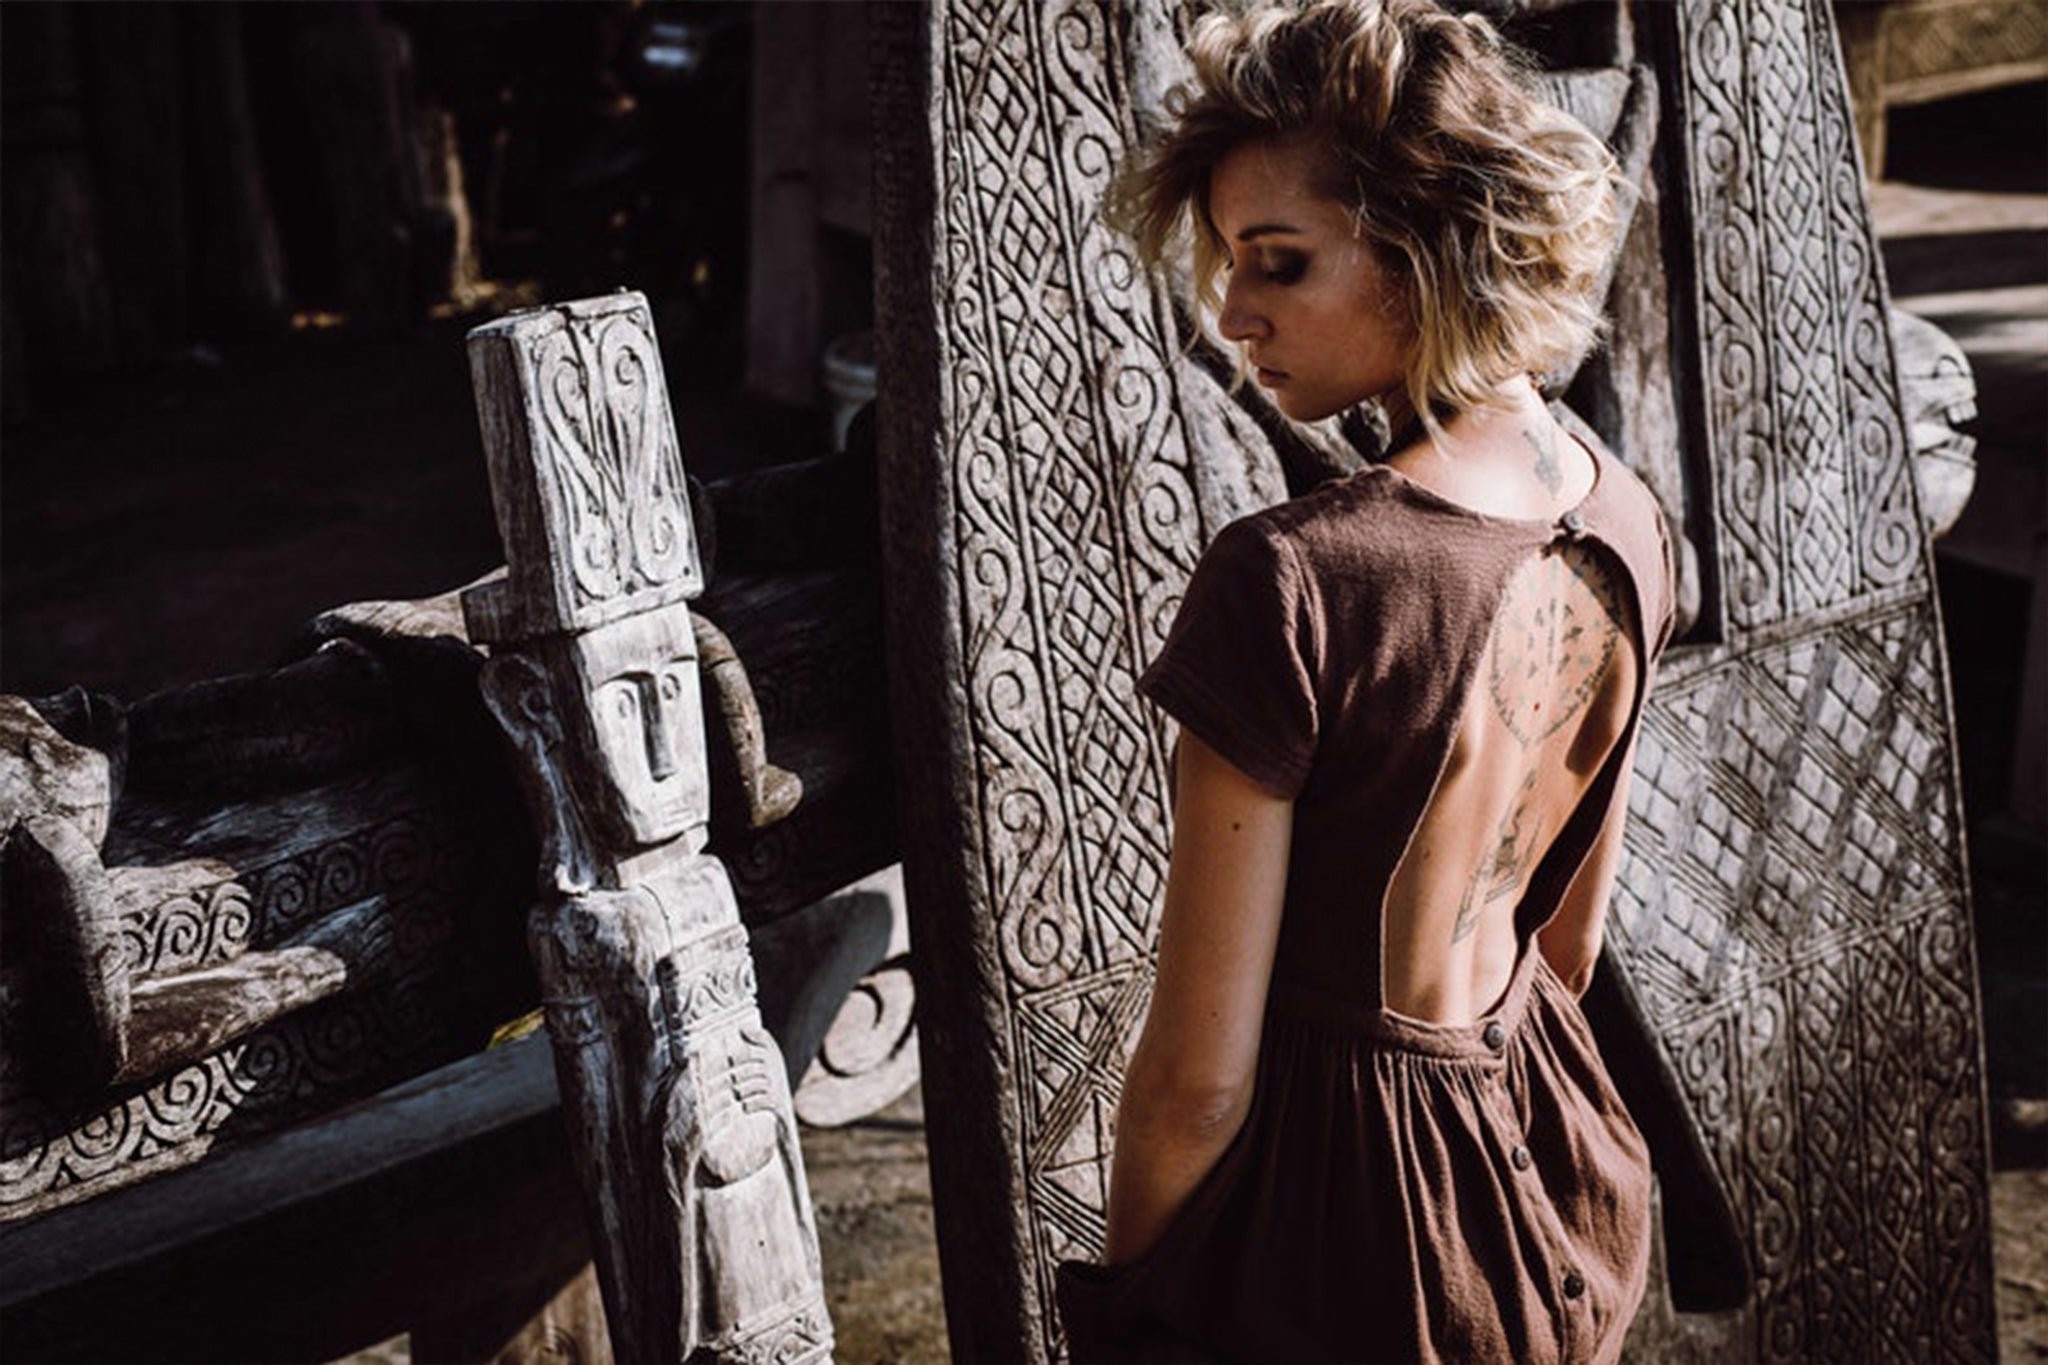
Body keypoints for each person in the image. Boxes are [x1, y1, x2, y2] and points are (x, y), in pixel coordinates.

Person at [1054, 3, 1677, 1362]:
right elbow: (1562, 949)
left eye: (1278, 263)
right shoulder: (1627, 515)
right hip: (1550, 1168)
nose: (1232, 314)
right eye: (1226, 264)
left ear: (1426, 247)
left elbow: (1196, 1082)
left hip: (1343, 1242)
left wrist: (1130, 1302)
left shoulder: (1293, 579)